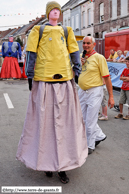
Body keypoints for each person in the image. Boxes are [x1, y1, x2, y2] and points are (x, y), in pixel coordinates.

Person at [16, 1, 88, 184]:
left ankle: (63, 166)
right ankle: (47, 163)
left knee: (65, 125)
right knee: (45, 125)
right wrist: (30, 75)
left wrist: (77, 70)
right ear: (48, 13)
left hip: (64, 81)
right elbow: (31, 53)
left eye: (58, 10)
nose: (56, 12)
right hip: (44, 81)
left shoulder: (67, 31)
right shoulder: (37, 31)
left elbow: (74, 51)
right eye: (53, 10)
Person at [78, 36, 114, 155]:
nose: (86, 45)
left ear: (93, 44)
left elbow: (107, 78)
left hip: (95, 91)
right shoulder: (81, 56)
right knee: (81, 118)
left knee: (90, 120)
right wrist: (79, 64)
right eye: (84, 43)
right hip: (82, 91)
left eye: (88, 43)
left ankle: (90, 145)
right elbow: (75, 73)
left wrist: (111, 96)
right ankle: (99, 135)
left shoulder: (99, 58)